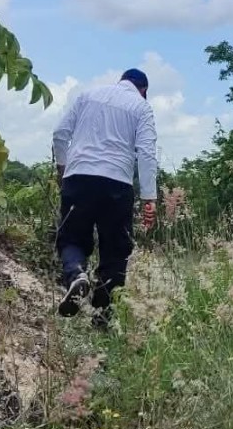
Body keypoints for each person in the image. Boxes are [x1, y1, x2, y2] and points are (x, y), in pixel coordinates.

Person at [52, 68, 159, 330]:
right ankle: (101, 320)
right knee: (115, 252)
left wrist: (63, 170)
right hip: (117, 184)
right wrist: (149, 198)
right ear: (143, 90)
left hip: (78, 177)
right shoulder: (141, 108)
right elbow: (146, 153)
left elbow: (59, 134)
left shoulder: (87, 95)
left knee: (72, 238)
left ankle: (76, 273)